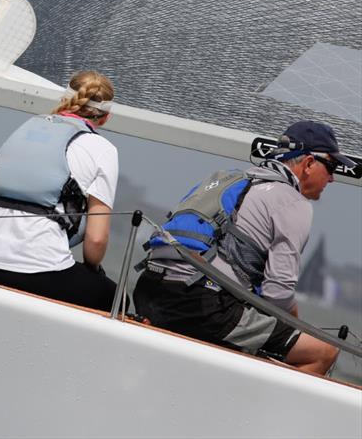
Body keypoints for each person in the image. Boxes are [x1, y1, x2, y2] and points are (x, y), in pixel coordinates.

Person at [134, 121, 351, 375]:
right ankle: (262, 413)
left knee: (252, 329)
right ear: (309, 164)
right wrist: (296, 327)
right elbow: (277, 295)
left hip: (148, 288)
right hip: (200, 304)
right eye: (332, 167)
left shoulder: (229, 179)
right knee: (323, 352)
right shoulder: (294, 203)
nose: (333, 178)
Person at [0, 70, 120, 311]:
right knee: (116, 298)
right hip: (39, 269)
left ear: (64, 101)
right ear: (105, 117)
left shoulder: (23, 129)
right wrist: (92, 270)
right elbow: (96, 239)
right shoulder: (102, 149)